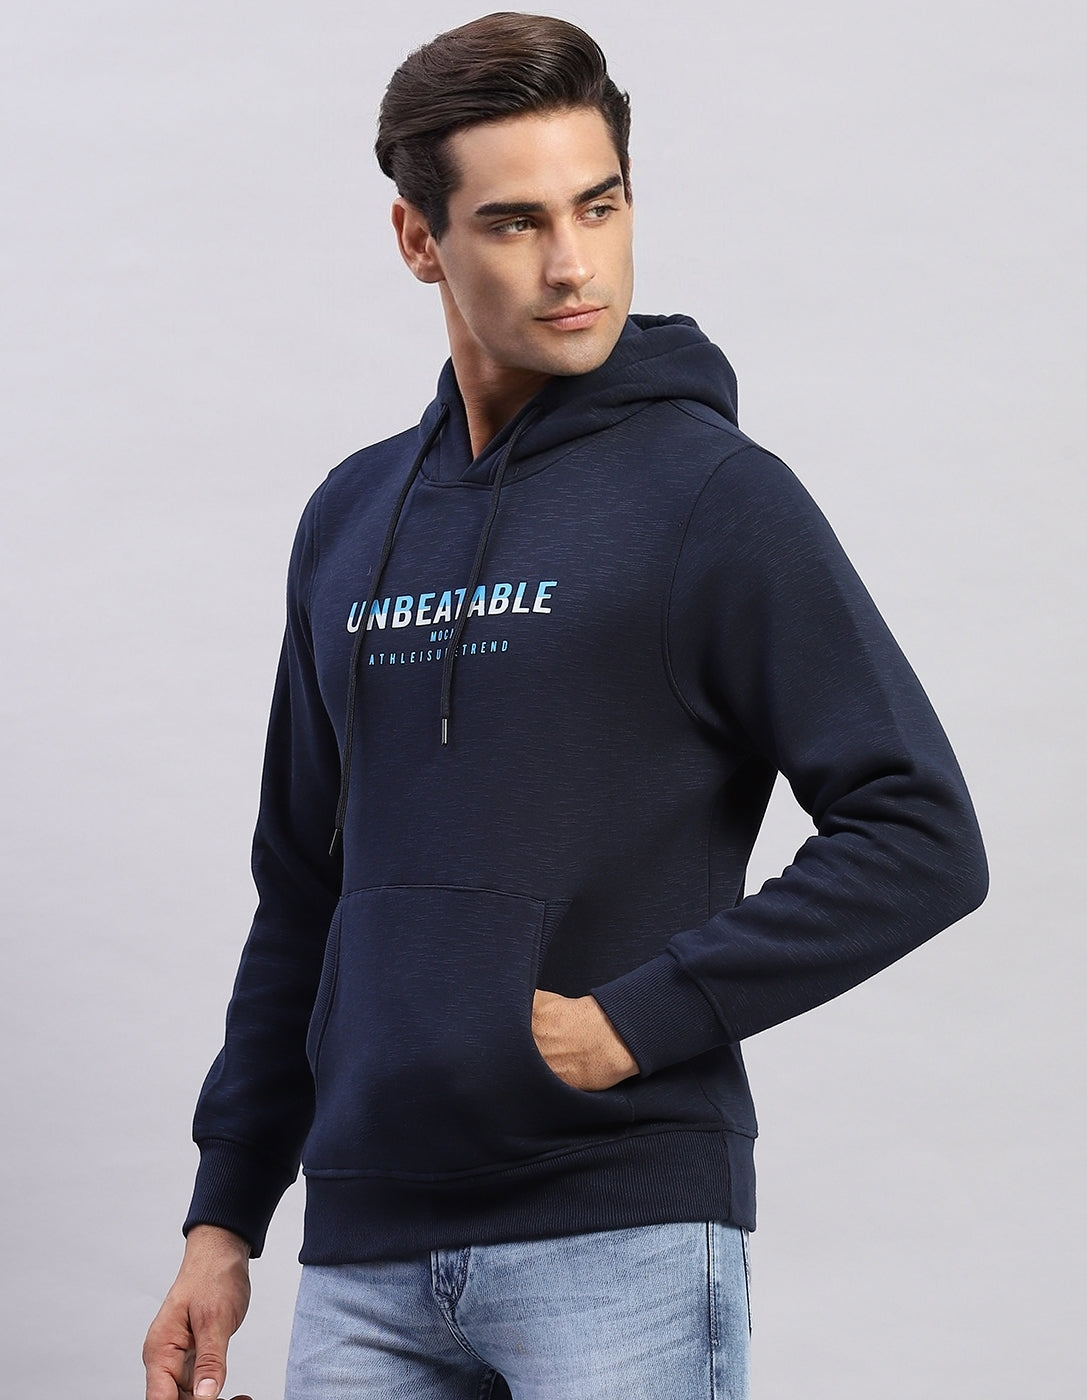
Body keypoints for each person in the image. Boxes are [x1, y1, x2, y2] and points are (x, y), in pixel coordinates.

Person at [142, 12, 989, 1400]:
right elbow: (302, 890)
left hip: (621, 1233)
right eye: (515, 221)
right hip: (365, 1253)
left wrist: (641, 1018)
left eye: (600, 205)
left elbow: (922, 834)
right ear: (420, 240)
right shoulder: (352, 518)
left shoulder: (713, 499)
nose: (573, 263)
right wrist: (224, 1219)